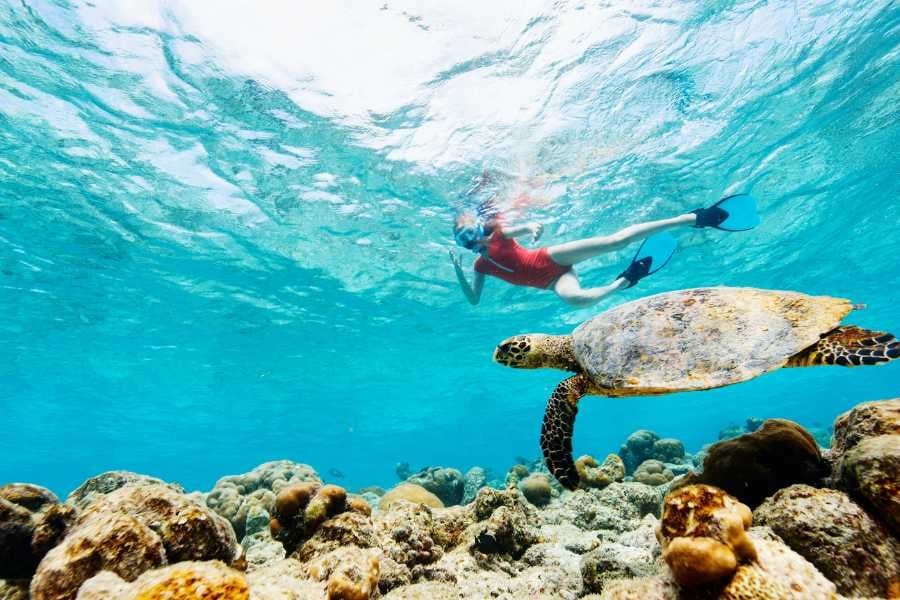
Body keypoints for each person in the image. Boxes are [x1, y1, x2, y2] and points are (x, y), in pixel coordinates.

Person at [449, 194, 759, 307]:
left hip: (552, 257)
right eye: (472, 242)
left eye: (477, 235)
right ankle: (625, 280)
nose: (480, 242)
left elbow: (519, 230)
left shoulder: (499, 235)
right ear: (467, 246)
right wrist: (459, 273)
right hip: (553, 282)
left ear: (480, 230)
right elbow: (474, 300)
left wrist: (531, 229)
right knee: (577, 301)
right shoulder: (479, 267)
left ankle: (692, 218)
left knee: (615, 241)